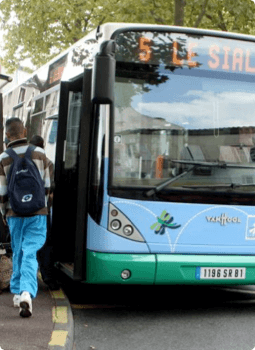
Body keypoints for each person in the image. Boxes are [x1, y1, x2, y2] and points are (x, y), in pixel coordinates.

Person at [0, 118, 50, 317]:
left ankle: (17, 292)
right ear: (25, 131)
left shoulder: (4, 157)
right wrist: (42, 206)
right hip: (37, 212)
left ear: (7, 134)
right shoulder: (40, 153)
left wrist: (5, 212)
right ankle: (26, 293)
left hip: (14, 213)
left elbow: (2, 192)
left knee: (19, 251)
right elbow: (47, 186)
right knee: (30, 251)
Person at [30, 135, 59, 291]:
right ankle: (48, 277)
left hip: (21, 210)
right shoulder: (48, 163)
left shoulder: (20, 160)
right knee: (44, 244)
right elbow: (50, 187)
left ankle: (25, 280)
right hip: (42, 209)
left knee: (24, 244)